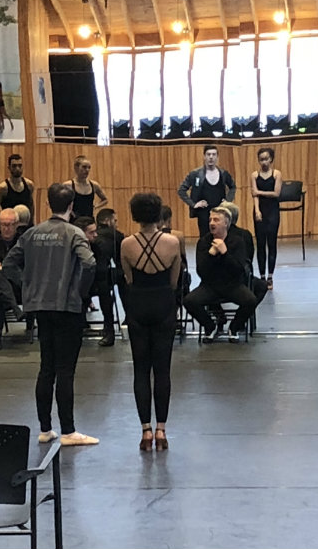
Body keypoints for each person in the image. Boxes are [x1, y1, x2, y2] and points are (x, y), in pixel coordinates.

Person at [3, 182, 99, 446]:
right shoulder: (73, 233)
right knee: (65, 370)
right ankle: (68, 431)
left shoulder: (32, 233)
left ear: (47, 204)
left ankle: (45, 429)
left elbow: (9, 263)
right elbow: (89, 263)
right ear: (71, 206)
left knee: (46, 367)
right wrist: (80, 291)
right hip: (66, 307)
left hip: (40, 306)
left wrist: (27, 286)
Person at [120, 193, 182, 451]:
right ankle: (161, 430)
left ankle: (145, 431)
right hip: (163, 304)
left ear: (134, 215)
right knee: (163, 370)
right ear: (159, 215)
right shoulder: (172, 242)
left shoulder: (126, 244)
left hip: (138, 305)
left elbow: (128, 278)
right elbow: (174, 281)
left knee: (141, 370)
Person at [182, 208, 257, 342]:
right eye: (210, 220)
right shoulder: (204, 242)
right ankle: (210, 326)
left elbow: (239, 270)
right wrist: (211, 254)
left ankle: (234, 328)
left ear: (226, 224)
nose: (212, 223)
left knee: (250, 300)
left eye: (216, 220)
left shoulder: (237, 241)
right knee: (189, 301)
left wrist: (225, 253)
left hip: (232, 285)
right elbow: (201, 271)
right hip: (210, 286)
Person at [0, 208, 25, 348]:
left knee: (2, 275)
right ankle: (15, 309)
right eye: (3, 225)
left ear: (16, 225)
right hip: (0, 289)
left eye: (10, 225)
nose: (6, 228)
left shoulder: (24, 243)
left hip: (19, 286)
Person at [178, 145, 237, 235]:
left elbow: (233, 187)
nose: (211, 157)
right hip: (203, 213)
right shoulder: (195, 174)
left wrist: (227, 201)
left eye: (213, 154)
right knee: (204, 239)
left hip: (220, 212)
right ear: (204, 156)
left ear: (217, 157)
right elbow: (181, 190)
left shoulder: (223, 174)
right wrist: (193, 204)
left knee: (221, 237)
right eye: (208, 154)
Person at [92, 208, 126, 347]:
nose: (116, 224)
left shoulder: (91, 236)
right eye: (115, 220)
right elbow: (121, 261)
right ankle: (129, 317)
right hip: (108, 277)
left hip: (91, 280)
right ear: (107, 221)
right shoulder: (117, 235)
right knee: (123, 280)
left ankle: (86, 324)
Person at [251, 146, 282, 289]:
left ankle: (271, 276)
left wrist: (259, 192)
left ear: (271, 159)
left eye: (266, 159)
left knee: (272, 243)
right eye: (261, 159)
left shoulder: (276, 174)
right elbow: (254, 195)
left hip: (273, 211)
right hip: (260, 211)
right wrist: (257, 210)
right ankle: (262, 276)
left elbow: (276, 194)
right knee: (261, 244)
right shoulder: (254, 175)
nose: (264, 162)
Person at [0, 154, 35, 225]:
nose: (17, 169)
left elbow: (31, 205)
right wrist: (0, 227)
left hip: (26, 228)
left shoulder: (29, 185)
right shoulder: (2, 189)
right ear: (9, 168)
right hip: (10, 228)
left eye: (20, 165)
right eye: (14, 166)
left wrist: (31, 224)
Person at [63, 155, 109, 222]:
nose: (87, 170)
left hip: (89, 221)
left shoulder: (94, 185)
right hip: (74, 221)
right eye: (84, 167)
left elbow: (105, 199)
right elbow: (52, 200)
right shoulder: (68, 185)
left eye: (89, 168)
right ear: (76, 168)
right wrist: (68, 210)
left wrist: (95, 206)